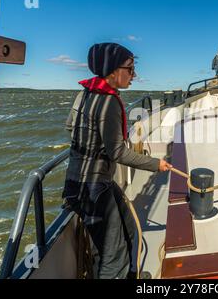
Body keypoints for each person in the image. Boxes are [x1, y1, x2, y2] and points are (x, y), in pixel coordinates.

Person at [63, 43, 172, 279]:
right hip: (93, 188)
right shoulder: (109, 102)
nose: (134, 75)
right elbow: (118, 153)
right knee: (114, 258)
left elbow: (70, 126)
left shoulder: (84, 93)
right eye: (130, 69)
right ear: (113, 71)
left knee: (129, 227)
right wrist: (156, 164)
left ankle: (132, 274)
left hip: (78, 183)